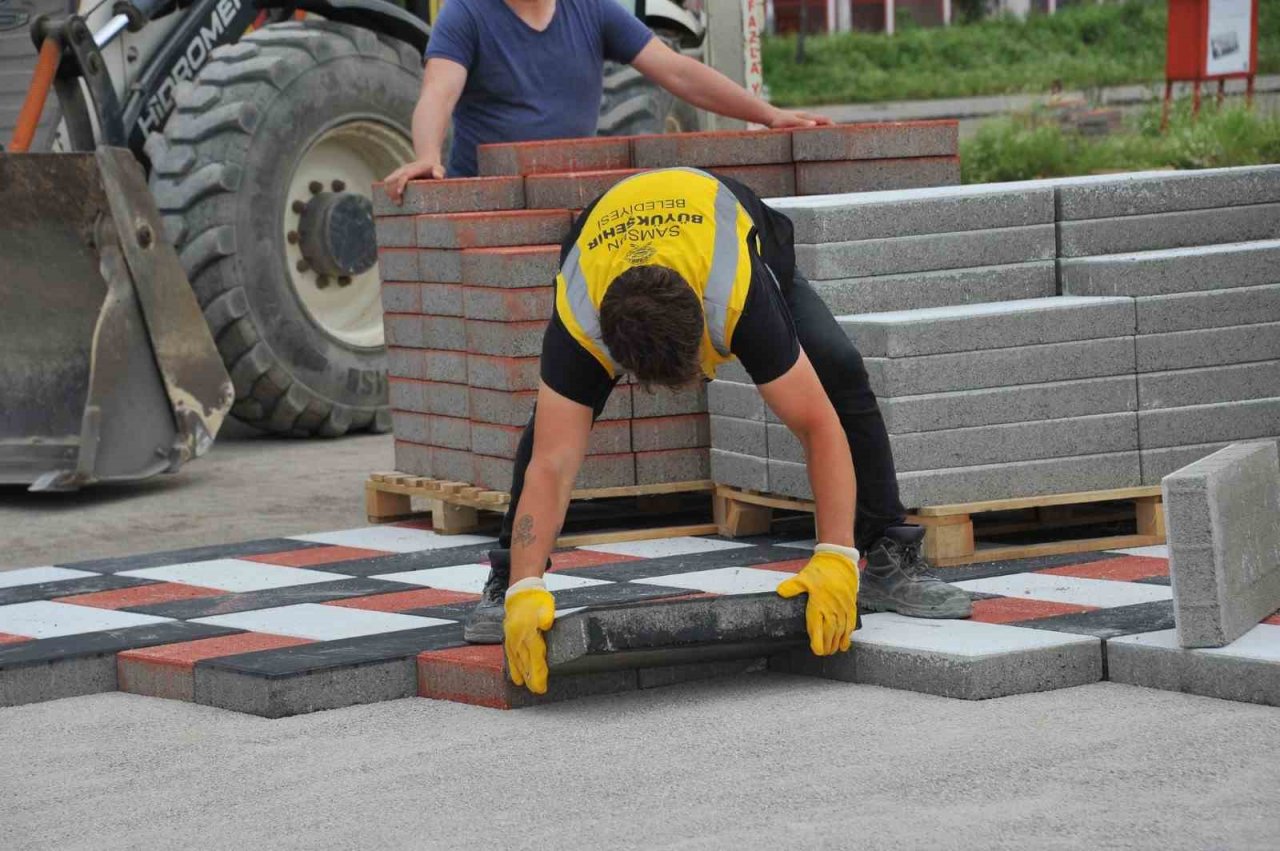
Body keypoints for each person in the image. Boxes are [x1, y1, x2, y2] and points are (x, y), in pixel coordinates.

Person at [475, 167, 973, 694]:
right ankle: (511, 577)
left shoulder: (736, 292)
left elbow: (816, 425)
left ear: (709, 328)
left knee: (839, 371)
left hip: (728, 222)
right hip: (608, 239)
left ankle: (887, 551)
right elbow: (552, 466)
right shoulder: (580, 315)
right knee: (549, 430)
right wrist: (527, 589)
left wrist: (835, 557)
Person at [382, 0, 831, 197]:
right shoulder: (466, 14)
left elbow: (678, 72)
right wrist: (426, 155)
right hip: (488, 200)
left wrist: (770, 116)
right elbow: (438, 92)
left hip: (567, 192)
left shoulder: (592, 10)